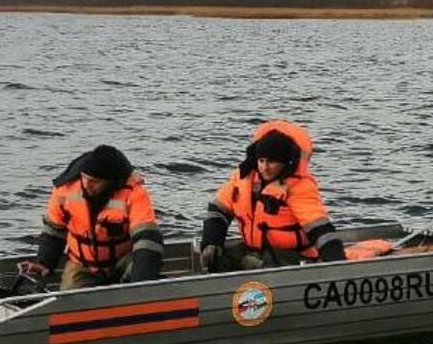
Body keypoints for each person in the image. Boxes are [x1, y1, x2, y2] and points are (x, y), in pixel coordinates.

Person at [199, 120, 347, 272]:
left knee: (253, 263)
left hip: (294, 257)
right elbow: (218, 211)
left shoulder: (299, 186)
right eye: (261, 161)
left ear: (285, 163)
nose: (264, 167)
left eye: (271, 162)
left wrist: (337, 266)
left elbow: (319, 228)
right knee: (215, 258)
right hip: (254, 252)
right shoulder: (242, 179)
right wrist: (211, 242)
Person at [28, 145, 165, 290]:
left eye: (94, 181)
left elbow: (147, 239)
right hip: (82, 265)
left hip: (124, 262)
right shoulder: (64, 190)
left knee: (145, 265)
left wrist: (141, 284)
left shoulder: (134, 193)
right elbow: (54, 231)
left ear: (110, 182)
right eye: (84, 178)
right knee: (70, 301)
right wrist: (44, 263)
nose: (86, 185)